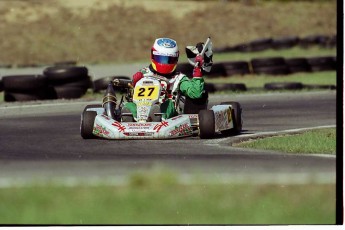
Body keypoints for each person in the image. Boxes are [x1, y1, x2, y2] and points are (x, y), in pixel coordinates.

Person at [122, 37, 206, 121]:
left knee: (168, 104)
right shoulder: (144, 73)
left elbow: (195, 93)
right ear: (153, 56)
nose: (164, 63)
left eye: (169, 60)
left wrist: (197, 75)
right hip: (141, 106)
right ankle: (129, 117)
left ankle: (158, 117)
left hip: (165, 111)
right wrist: (134, 83)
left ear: (176, 59)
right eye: (161, 59)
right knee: (129, 105)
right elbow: (132, 94)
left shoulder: (179, 78)